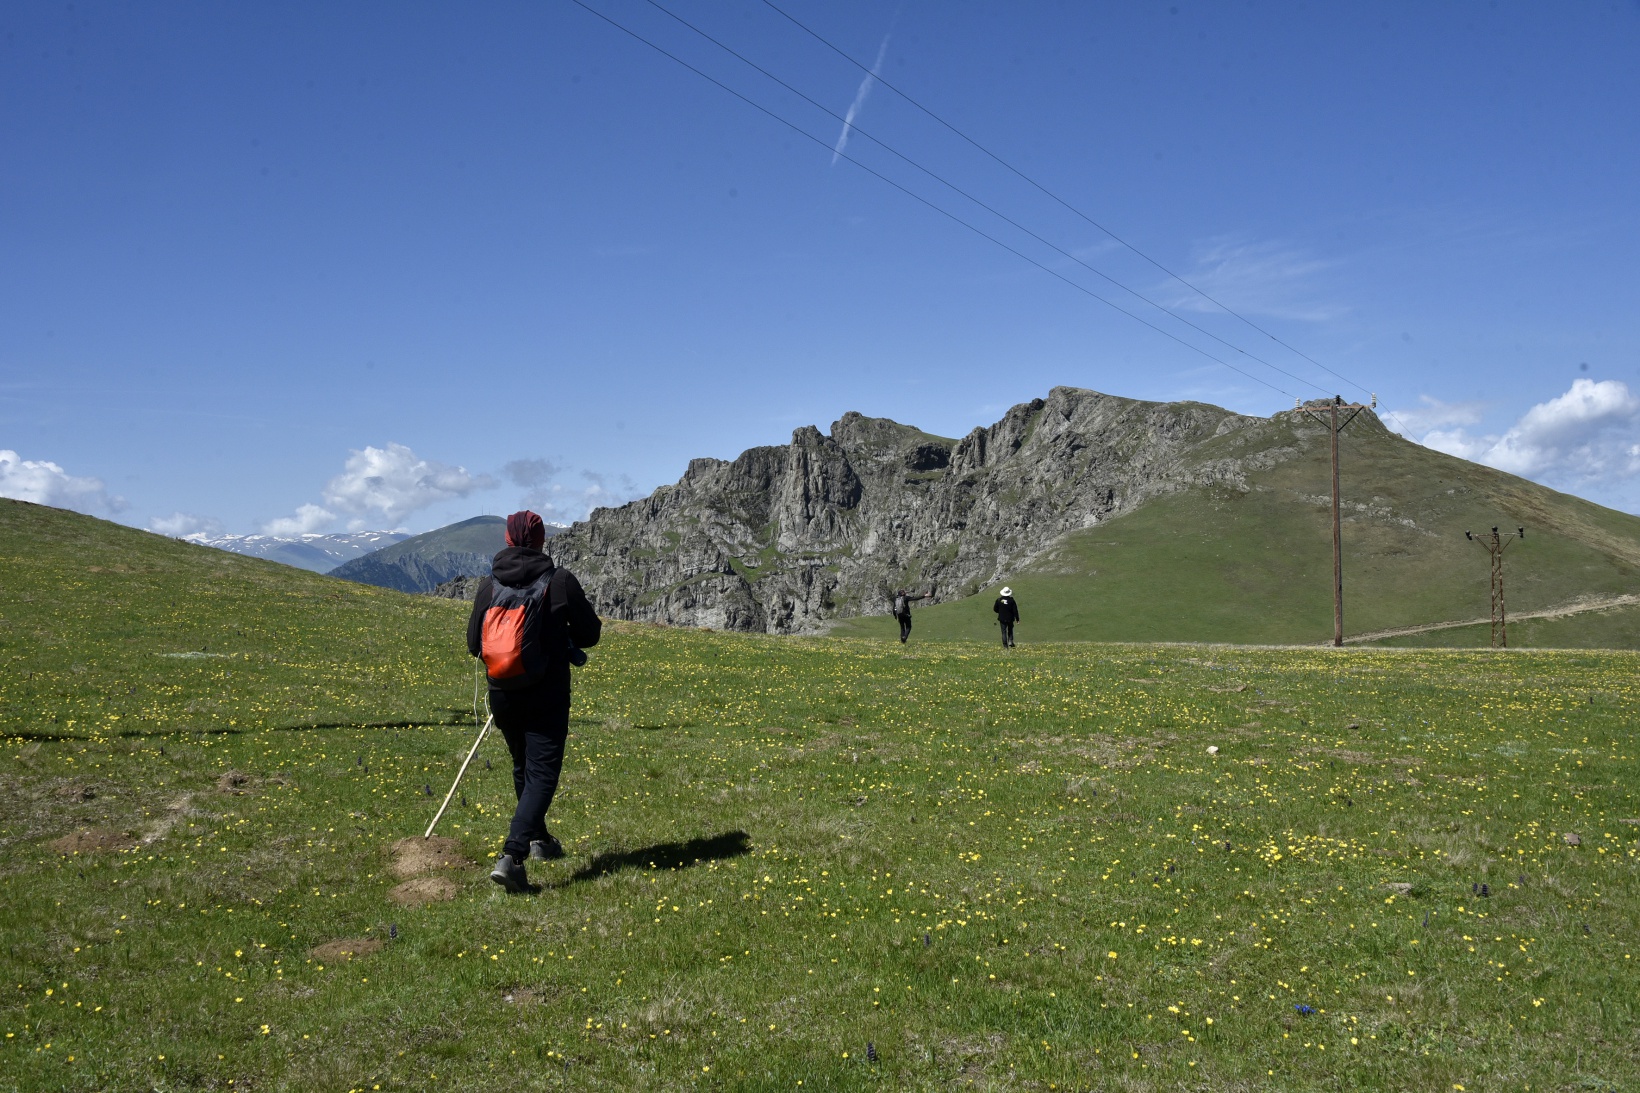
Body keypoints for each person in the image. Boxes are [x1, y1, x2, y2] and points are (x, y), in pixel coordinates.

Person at [467, 510, 601, 892]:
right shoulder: (559, 581)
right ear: (541, 541)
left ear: (508, 539)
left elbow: (474, 644)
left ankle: (540, 840)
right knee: (541, 773)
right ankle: (513, 856)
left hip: (503, 693)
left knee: (523, 766)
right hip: (547, 693)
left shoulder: (489, 584)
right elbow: (590, 634)